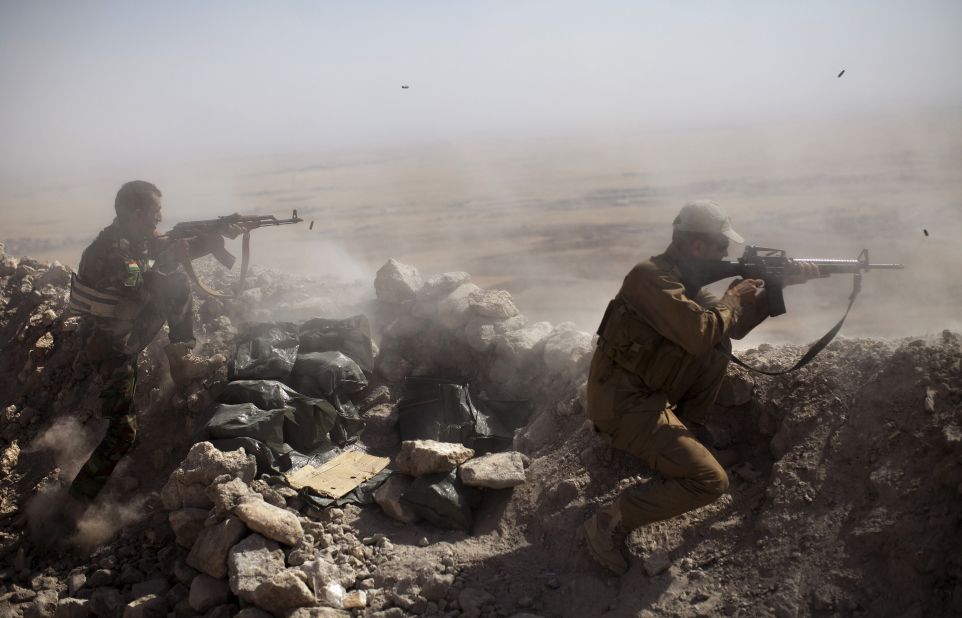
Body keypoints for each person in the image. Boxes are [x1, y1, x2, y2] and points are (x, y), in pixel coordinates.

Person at [581, 199, 823, 574]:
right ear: (698, 247)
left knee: (720, 345)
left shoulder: (685, 282)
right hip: (621, 407)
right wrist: (731, 298)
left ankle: (685, 439)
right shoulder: (651, 278)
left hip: (647, 396)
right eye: (721, 247)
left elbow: (732, 326)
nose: (727, 254)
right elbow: (699, 333)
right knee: (710, 482)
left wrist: (778, 285)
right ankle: (608, 522)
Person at [67, 180, 227, 502]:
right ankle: (72, 506)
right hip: (112, 347)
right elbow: (145, 287)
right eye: (155, 212)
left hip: (121, 333)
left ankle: (181, 360)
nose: (159, 218)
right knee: (123, 433)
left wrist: (211, 239)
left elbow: (162, 246)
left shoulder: (130, 238)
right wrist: (174, 256)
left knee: (176, 281)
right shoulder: (112, 253)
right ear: (137, 213)